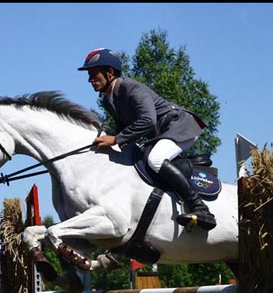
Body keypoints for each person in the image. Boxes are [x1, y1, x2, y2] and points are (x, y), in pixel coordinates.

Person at [78, 48, 216, 231]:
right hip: (161, 134)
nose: (90, 80)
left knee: (155, 159)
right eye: (89, 75)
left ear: (109, 73)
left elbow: (148, 121)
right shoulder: (108, 99)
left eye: (94, 74)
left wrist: (116, 139)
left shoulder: (129, 87)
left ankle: (200, 208)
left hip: (179, 126)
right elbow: (124, 129)